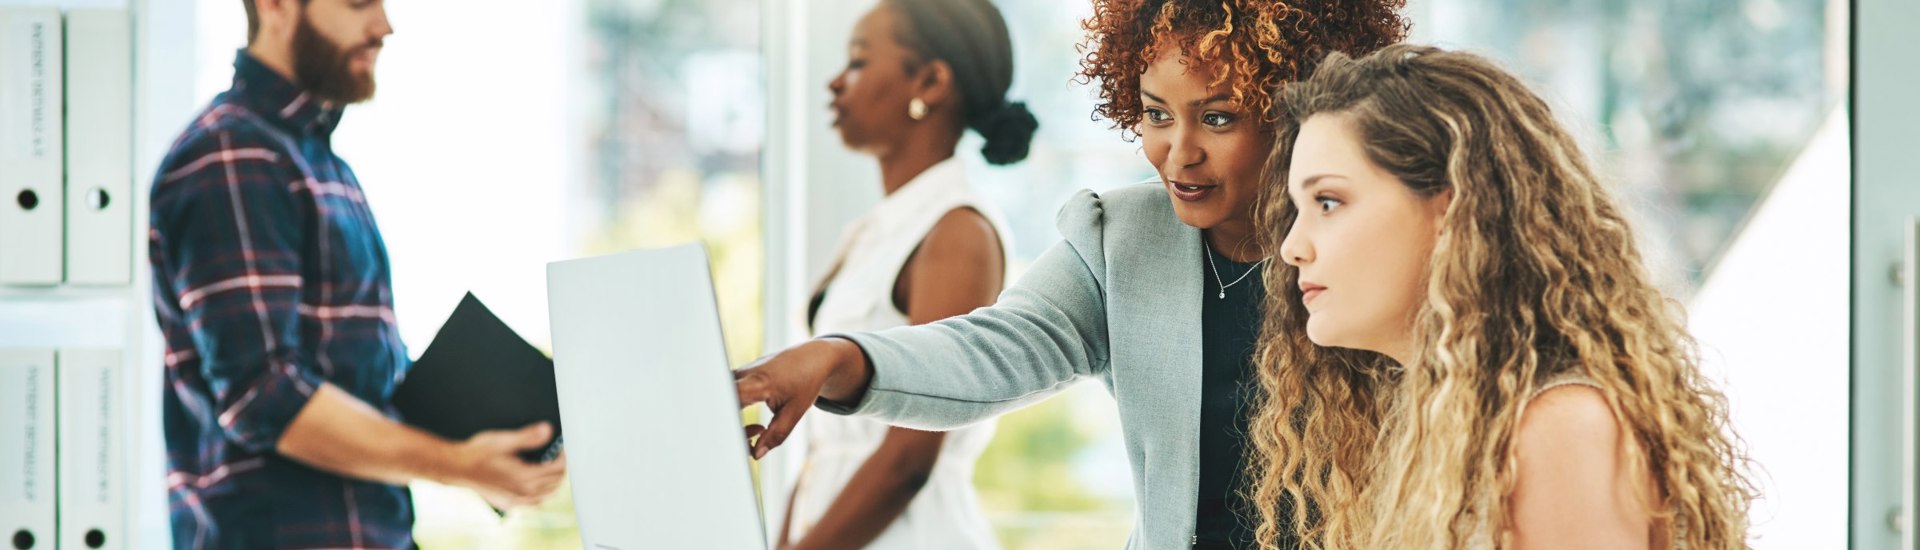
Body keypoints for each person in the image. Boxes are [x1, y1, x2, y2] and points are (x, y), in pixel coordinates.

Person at [734, 1, 1407, 547]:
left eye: (1219, 117)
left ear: (1296, 109)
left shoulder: (1374, 235)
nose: (1178, 154)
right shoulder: (1122, 240)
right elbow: (995, 348)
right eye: (1155, 115)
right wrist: (838, 359)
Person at [1248, 44, 1756, 550]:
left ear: (1451, 208)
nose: (1292, 247)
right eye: (1297, 210)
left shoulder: (1558, 426)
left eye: (1328, 202)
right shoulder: (1443, 425)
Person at [148, 1, 563, 547]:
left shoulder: (318, 163)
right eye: (358, 3)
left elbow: (358, 386)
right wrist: (459, 463)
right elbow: (264, 396)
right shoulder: (233, 154)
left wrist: (496, 447)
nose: (384, 26)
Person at [777, 0, 1036, 548]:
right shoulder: (876, 231)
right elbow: (828, 450)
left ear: (931, 81)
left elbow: (908, 458)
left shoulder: (957, 231)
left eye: (857, 62)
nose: (834, 83)